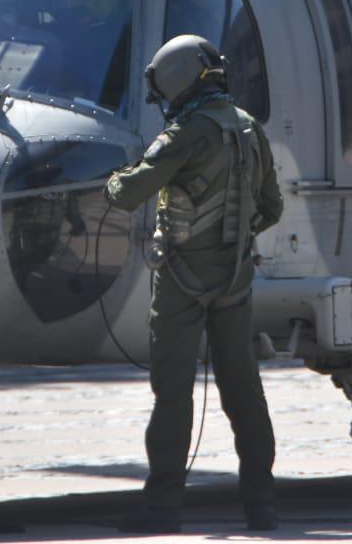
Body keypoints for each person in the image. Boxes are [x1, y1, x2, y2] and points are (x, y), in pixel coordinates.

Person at [106, 35, 284, 533]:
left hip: (183, 280)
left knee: (173, 393)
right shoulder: (250, 128)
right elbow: (271, 208)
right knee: (244, 393)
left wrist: (112, 181)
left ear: (177, 83)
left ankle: (162, 510)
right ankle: (261, 505)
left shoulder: (186, 134)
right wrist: (233, 232)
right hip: (235, 280)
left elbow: (128, 194)